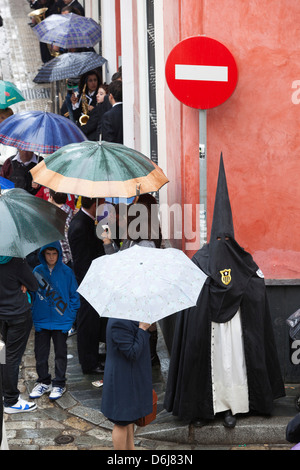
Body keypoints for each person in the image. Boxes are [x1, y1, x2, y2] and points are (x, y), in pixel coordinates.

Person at [164, 154, 286, 428]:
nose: (222, 243)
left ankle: (235, 406)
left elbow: (255, 282)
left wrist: (251, 283)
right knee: (215, 366)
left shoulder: (240, 260)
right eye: (219, 238)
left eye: (225, 238)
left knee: (234, 365)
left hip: (236, 330)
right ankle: (209, 407)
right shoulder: (201, 260)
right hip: (211, 332)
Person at [29, 242, 80, 400]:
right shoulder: (37, 271)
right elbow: (31, 294)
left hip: (61, 322)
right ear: (43, 254)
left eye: (54, 254)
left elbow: (74, 296)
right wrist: (34, 313)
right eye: (48, 254)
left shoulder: (67, 272)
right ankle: (43, 381)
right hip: (42, 320)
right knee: (40, 354)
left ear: (59, 254)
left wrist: (69, 317)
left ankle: (59, 383)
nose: (51, 257)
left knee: (60, 353)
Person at [68, 197, 106, 374]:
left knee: (92, 323)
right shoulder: (80, 225)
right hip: (88, 283)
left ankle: (92, 356)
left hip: (93, 281)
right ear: (94, 204)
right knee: (87, 324)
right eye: (102, 202)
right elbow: (83, 261)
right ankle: (88, 362)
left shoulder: (87, 221)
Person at [101, 319, 152, 450]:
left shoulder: (127, 318)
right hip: (121, 379)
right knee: (121, 422)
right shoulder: (118, 323)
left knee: (129, 420)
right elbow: (132, 352)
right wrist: (142, 329)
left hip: (129, 376)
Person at [0, 256, 39, 414]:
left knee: (2, 354)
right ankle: (10, 400)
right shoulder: (16, 261)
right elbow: (34, 285)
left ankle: (5, 393)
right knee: (11, 357)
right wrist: (23, 283)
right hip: (17, 315)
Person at [48, 189, 74, 268]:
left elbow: (67, 239)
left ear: (51, 198)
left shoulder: (58, 216)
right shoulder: (67, 209)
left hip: (65, 260)